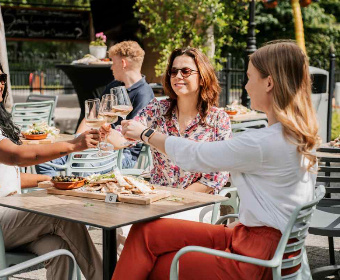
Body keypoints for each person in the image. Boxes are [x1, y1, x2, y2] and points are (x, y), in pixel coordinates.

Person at [114, 41, 320, 280]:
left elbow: (197, 156)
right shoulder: (296, 136)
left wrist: (146, 134)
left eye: (249, 77)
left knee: (156, 265)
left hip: (254, 258)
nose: (245, 85)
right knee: (146, 232)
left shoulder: (264, 142)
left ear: (269, 83)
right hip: (254, 239)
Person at [0, 54, 102, 280]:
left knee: (59, 248)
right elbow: (16, 157)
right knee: (62, 216)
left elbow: (2, 178)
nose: (0, 84)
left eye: (2, 78)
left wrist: (48, 181)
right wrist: (73, 145)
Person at [104, 47, 231, 193]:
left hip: (197, 203)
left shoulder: (218, 119)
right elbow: (124, 138)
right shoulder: (157, 109)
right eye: (173, 71)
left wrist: (178, 199)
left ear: (202, 78)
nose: (177, 76)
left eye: (185, 71)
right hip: (157, 197)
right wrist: (106, 134)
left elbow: (217, 176)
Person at [36, 40, 154, 176]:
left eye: (113, 63)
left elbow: (128, 141)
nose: (111, 68)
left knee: (83, 165)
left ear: (123, 64)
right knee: (43, 158)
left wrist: (98, 142)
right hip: (97, 146)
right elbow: (92, 116)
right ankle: (57, 192)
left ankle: (75, 194)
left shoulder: (144, 94)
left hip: (122, 154)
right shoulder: (114, 86)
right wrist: (77, 142)